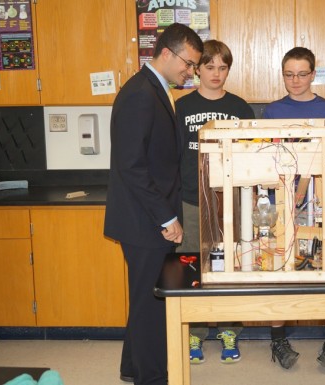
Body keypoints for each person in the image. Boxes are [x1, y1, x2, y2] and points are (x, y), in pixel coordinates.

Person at [104, 23, 203, 385]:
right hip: (143, 220)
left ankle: (132, 367)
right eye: (188, 64)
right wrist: (166, 217)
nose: (190, 72)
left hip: (148, 216)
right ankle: (152, 378)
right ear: (166, 53)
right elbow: (132, 166)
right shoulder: (140, 94)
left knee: (145, 297)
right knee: (151, 304)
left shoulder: (156, 90)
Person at [263, 47, 325, 371]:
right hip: (282, 204)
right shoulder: (272, 111)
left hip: (323, 203)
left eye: (301, 73)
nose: (295, 80)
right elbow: (263, 157)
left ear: (313, 74)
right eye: (288, 74)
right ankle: (277, 339)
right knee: (279, 271)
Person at [175, 39, 255, 365]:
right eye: (210, 67)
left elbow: (251, 155)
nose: (216, 73)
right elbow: (171, 156)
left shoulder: (240, 108)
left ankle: (228, 331)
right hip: (190, 201)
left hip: (227, 201)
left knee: (227, 268)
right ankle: (192, 332)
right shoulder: (180, 107)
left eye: (223, 67)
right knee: (191, 269)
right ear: (197, 68)